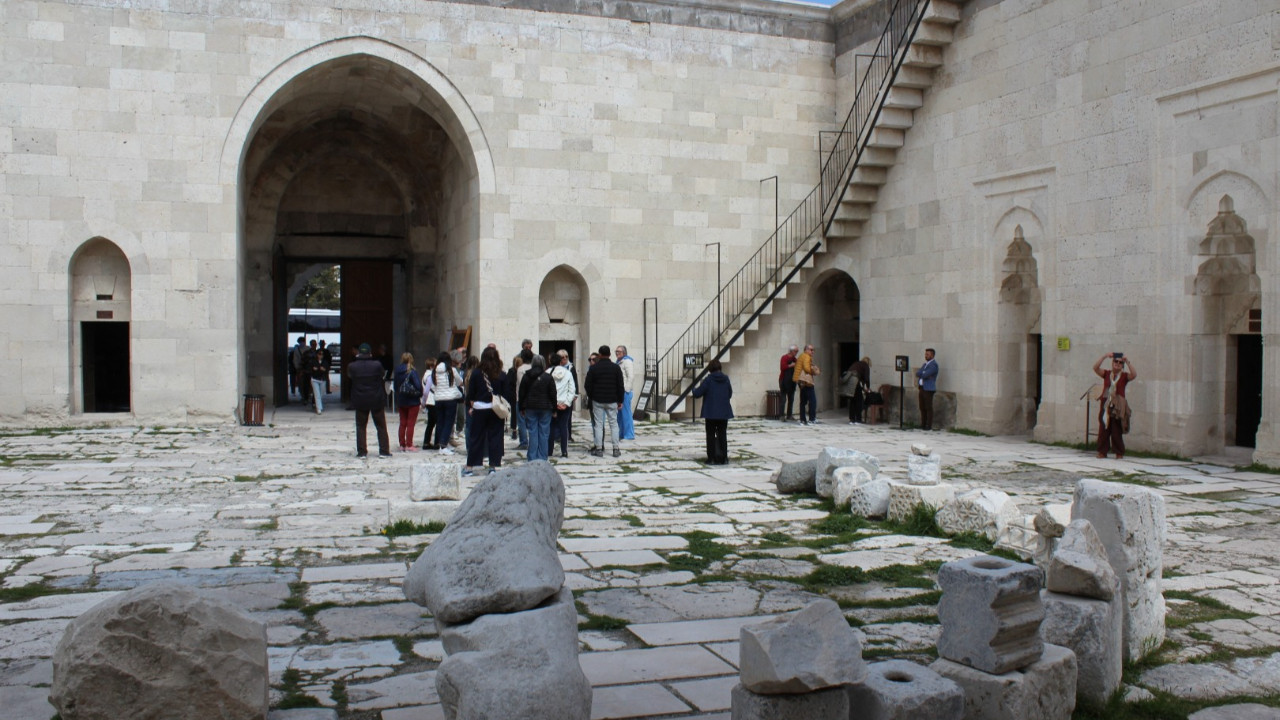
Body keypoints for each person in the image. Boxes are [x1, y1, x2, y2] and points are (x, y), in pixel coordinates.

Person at [464, 346, 506, 475]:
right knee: (495, 437)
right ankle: (492, 466)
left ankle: (470, 466)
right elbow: (505, 393)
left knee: (476, 438)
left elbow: (471, 393)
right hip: (495, 409)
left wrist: (471, 405)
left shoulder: (476, 373)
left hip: (480, 408)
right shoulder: (501, 374)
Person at [348, 343, 391, 458]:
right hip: (376, 398)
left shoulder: (352, 366)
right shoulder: (377, 365)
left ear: (359, 353)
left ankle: (362, 452)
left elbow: (350, 376)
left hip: (360, 398)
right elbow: (382, 375)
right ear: (370, 353)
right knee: (381, 426)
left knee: (361, 426)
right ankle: (384, 451)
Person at [1093, 352, 1137, 459]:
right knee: (1104, 428)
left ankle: (1119, 452)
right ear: (1112, 363)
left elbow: (1134, 374)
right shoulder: (1107, 374)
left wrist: (1127, 361)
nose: (1117, 363)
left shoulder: (1124, 376)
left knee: (1116, 429)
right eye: (1115, 361)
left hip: (1117, 405)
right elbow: (1095, 368)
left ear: (1122, 365)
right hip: (1106, 403)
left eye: (1120, 362)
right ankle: (1102, 451)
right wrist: (1104, 356)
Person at [584, 344, 624, 457]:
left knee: (598, 424)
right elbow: (620, 385)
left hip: (598, 400)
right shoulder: (616, 368)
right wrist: (620, 400)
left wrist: (592, 396)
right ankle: (615, 449)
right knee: (614, 424)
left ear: (600, 355)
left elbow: (587, 385)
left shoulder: (593, 368)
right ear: (610, 354)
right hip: (612, 400)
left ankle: (599, 448)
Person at [691, 359, 734, 465]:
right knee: (722, 435)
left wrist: (693, 389)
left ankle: (711, 458)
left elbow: (698, 393)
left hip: (710, 413)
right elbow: (729, 393)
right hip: (723, 412)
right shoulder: (726, 379)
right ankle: (724, 457)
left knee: (710, 435)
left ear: (710, 369)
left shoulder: (708, 380)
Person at [519, 354, 556, 462]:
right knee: (544, 433)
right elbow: (553, 394)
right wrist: (554, 409)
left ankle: (532, 457)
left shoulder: (526, 376)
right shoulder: (548, 377)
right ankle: (542, 457)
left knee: (532, 432)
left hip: (530, 407)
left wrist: (521, 407)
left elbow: (522, 393)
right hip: (545, 407)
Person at [431, 350, 463, 455]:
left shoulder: (434, 371)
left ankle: (442, 443)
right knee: (449, 423)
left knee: (440, 422)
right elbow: (460, 382)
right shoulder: (452, 370)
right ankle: (443, 446)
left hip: (438, 399)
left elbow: (432, 385)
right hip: (450, 399)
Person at [550, 349, 578, 457]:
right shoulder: (568, 373)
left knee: (551, 426)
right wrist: (566, 403)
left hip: (553, 404)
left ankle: (549, 450)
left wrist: (554, 403)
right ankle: (564, 451)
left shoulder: (548, 373)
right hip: (564, 404)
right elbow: (572, 389)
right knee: (564, 426)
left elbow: (548, 390)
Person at [393, 352, 423, 452]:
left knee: (402, 423)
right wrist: (419, 394)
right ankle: (409, 444)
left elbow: (395, 386)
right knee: (410, 423)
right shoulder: (412, 371)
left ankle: (402, 444)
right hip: (413, 401)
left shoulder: (397, 371)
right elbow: (418, 386)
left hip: (402, 400)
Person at [793, 344, 819, 425]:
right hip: (806, 381)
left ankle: (802, 420)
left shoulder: (801, 356)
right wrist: (813, 371)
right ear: (806, 350)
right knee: (812, 401)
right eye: (811, 350)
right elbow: (806, 368)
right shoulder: (806, 356)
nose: (813, 352)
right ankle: (812, 419)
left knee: (803, 401)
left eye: (813, 350)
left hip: (800, 381)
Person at [915, 348, 939, 430]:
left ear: (932, 355)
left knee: (928, 407)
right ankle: (923, 423)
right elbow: (918, 373)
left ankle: (929, 425)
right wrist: (923, 373)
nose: (926, 356)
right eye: (925, 354)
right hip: (922, 388)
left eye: (928, 354)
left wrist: (923, 373)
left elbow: (926, 375)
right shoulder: (925, 365)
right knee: (922, 407)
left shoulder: (933, 365)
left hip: (928, 389)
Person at [842, 356, 871, 424]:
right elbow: (866, 378)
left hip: (849, 382)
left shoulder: (856, 363)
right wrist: (868, 387)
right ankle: (858, 419)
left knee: (852, 400)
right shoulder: (865, 365)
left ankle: (852, 419)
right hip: (855, 381)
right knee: (859, 400)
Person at [616, 345, 637, 440]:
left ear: (624, 353)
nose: (617, 353)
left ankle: (629, 434)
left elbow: (630, 376)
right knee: (620, 415)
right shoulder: (619, 362)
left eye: (619, 351)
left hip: (624, 391)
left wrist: (626, 390)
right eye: (616, 351)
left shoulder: (627, 362)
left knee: (626, 414)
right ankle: (622, 433)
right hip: (619, 392)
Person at [305, 341, 327, 414]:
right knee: (317, 394)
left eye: (322, 354)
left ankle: (319, 405)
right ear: (317, 354)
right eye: (319, 354)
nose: (321, 355)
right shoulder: (312, 361)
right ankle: (319, 408)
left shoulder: (325, 362)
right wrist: (313, 369)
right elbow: (308, 368)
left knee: (321, 394)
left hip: (322, 379)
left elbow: (327, 368)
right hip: (314, 379)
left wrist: (324, 369)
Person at [778, 345, 799, 421]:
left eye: (797, 351)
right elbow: (782, 367)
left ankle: (789, 415)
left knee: (791, 399)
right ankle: (781, 416)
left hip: (791, 381)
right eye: (796, 351)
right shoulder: (784, 357)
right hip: (784, 380)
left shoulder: (794, 359)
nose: (797, 353)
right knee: (783, 399)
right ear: (791, 351)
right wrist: (791, 365)